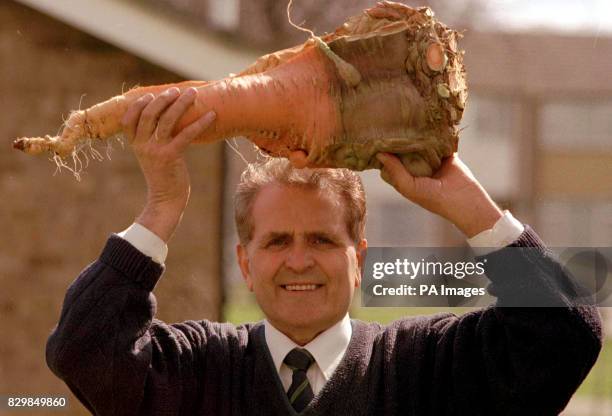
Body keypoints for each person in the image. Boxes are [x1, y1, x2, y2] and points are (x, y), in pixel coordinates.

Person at [46, 88, 602, 415]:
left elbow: (565, 337)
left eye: (322, 239)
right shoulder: (199, 372)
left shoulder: (422, 369)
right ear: (245, 262)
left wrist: (471, 208)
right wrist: (163, 206)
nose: (299, 259)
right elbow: (83, 350)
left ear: (359, 256)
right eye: (276, 241)